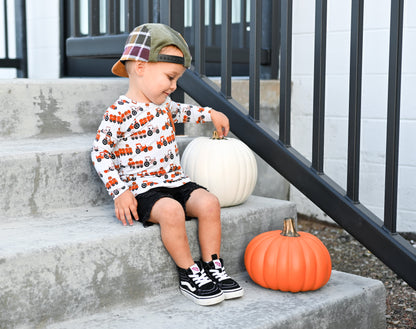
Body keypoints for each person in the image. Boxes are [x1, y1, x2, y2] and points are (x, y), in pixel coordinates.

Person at [91, 23, 244, 306]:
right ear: (140, 67)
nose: (174, 86)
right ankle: (189, 272)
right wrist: (119, 191)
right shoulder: (119, 112)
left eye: (177, 80)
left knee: (209, 202)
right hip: (143, 189)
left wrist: (210, 113)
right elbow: (100, 152)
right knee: (172, 211)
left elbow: (184, 111)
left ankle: (213, 265)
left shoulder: (164, 104)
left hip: (177, 182)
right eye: (170, 77)